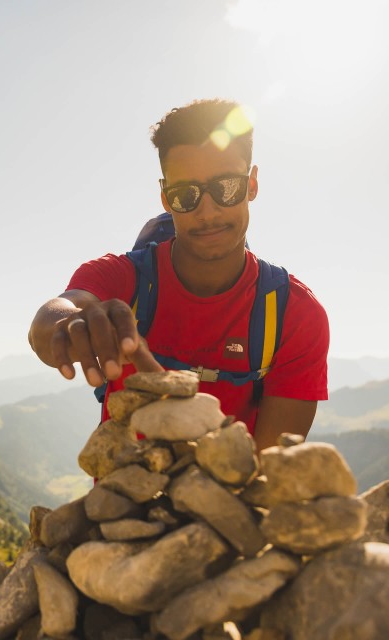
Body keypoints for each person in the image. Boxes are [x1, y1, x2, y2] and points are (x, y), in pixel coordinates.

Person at [28, 99, 329, 452]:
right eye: (185, 194)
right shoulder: (121, 279)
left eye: (227, 187)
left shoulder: (295, 315)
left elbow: (268, 471)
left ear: (252, 185)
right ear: (165, 198)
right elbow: (50, 322)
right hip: (122, 505)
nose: (207, 211)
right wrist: (71, 325)